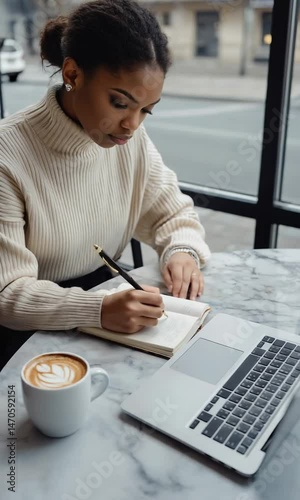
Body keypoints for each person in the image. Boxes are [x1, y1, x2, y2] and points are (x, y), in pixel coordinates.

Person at [0, 0, 210, 365]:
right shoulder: (8, 154)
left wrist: (182, 251)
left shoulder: (128, 141)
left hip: (113, 302)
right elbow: (7, 294)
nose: (133, 125)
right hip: (27, 332)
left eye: (146, 109)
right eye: (119, 103)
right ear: (73, 74)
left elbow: (173, 213)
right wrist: (96, 309)